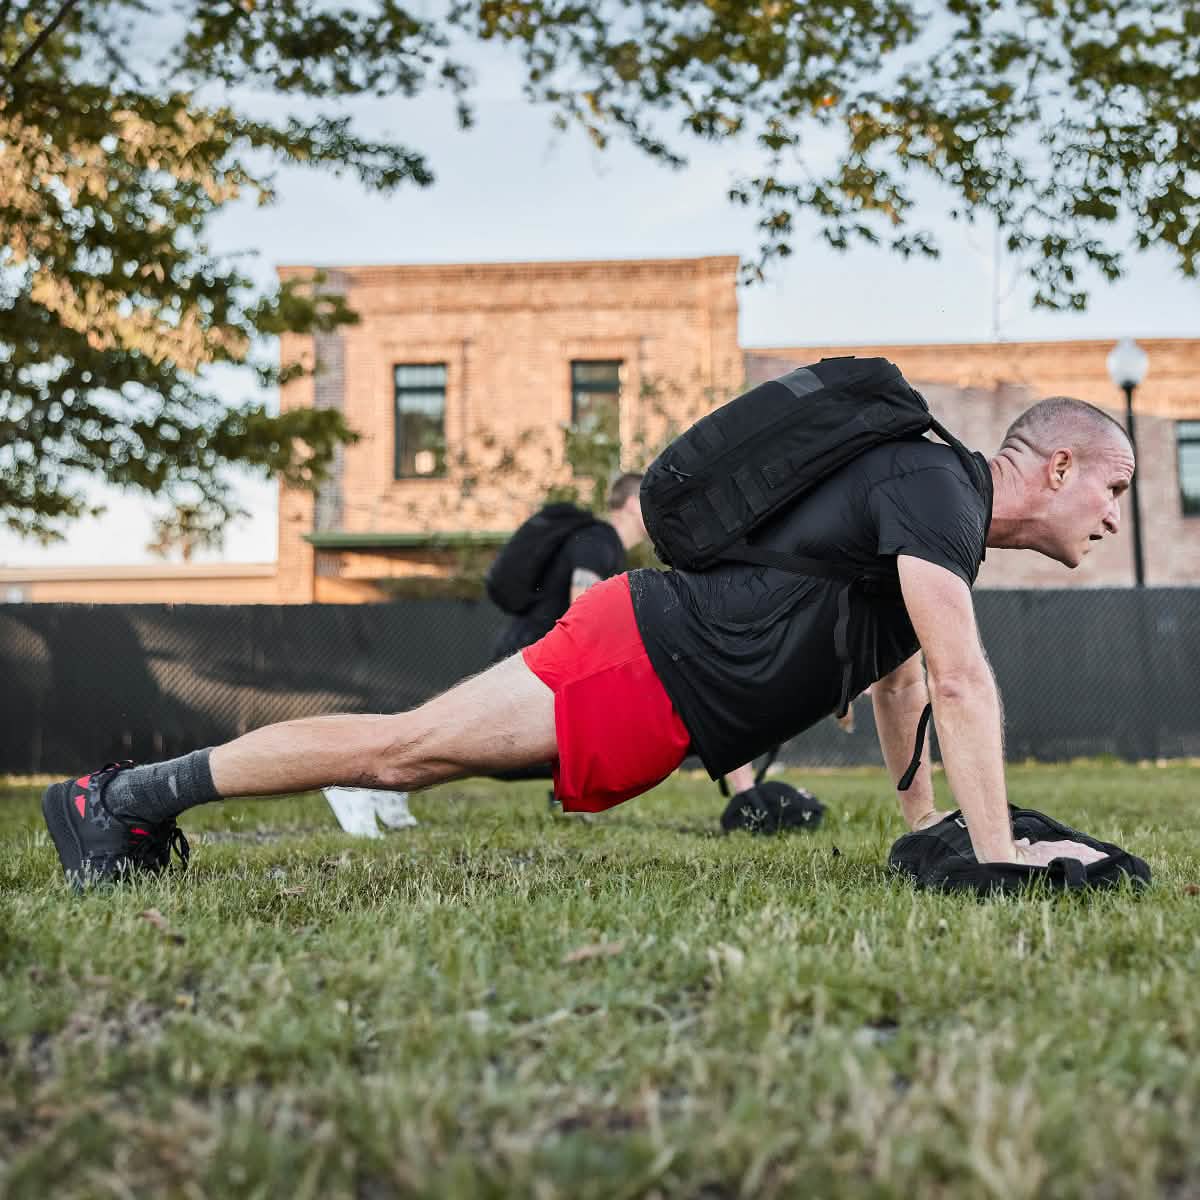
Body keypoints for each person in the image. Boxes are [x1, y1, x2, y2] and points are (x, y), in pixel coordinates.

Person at [42, 395, 1133, 884]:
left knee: (407, 746)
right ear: (1055, 467)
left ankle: (130, 802)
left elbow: (902, 677)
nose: (1116, 516)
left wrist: (928, 825)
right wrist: (995, 856)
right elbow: (960, 673)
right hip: (639, 661)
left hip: (660, 688)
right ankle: (119, 802)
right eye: (1114, 488)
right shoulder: (936, 482)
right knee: (398, 749)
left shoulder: (936, 512)